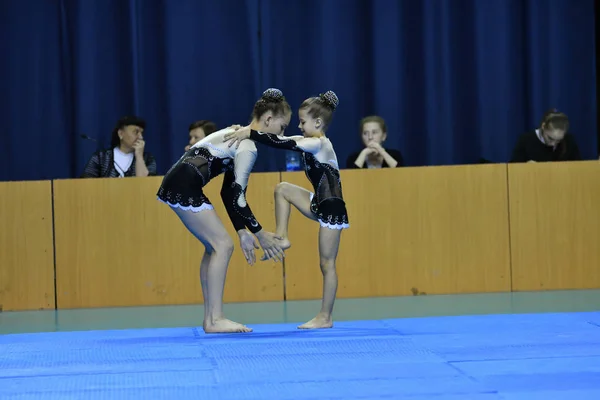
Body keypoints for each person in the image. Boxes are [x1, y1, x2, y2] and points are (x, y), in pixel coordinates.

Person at [156, 88, 290, 334]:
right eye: (282, 128)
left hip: (178, 182)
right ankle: (216, 318)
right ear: (269, 119)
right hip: (184, 185)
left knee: (215, 246)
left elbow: (228, 193)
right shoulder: (247, 146)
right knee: (222, 246)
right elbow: (238, 196)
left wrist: (242, 231)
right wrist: (259, 233)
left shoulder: (236, 134)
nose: (282, 135)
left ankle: (210, 319)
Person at [224, 90, 349, 330]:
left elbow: (282, 142)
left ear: (318, 122)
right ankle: (282, 237)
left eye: (302, 122)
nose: (299, 126)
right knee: (282, 188)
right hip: (318, 202)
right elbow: (280, 139)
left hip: (332, 207)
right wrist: (248, 130)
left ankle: (325, 316)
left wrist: (249, 133)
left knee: (327, 263)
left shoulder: (318, 143)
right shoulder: (309, 142)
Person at [81, 116, 157, 178]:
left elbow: (146, 186)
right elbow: (85, 183)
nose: (140, 137)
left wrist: (139, 157)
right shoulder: (101, 157)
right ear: (121, 134)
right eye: (136, 132)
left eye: (141, 133)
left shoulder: (147, 159)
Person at [510, 109, 581, 163]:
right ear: (543, 126)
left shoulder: (569, 141)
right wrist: (525, 166)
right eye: (550, 138)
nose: (553, 144)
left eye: (559, 140)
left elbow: (578, 167)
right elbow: (512, 168)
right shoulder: (526, 140)